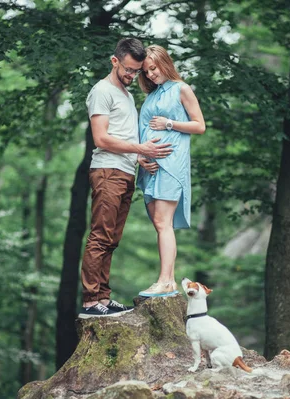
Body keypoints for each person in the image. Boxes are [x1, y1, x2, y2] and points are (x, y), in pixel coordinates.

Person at [79, 38, 174, 318]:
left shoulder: (127, 94)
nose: (133, 76)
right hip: (107, 171)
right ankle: (90, 301)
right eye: (129, 70)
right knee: (100, 236)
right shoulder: (102, 91)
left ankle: (103, 298)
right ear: (115, 61)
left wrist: (139, 158)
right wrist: (140, 148)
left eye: (137, 72)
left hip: (124, 171)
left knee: (111, 239)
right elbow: (101, 138)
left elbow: (124, 137)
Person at [136, 45, 206, 297]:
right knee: (159, 223)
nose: (151, 74)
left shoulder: (181, 89)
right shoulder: (151, 96)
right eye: (146, 71)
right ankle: (168, 280)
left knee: (163, 222)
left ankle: (165, 281)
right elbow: (142, 131)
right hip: (150, 167)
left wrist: (169, 123)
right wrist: (140, 157)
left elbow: (200, 126)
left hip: (170, 164)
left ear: (165, 63)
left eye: (153, 68)